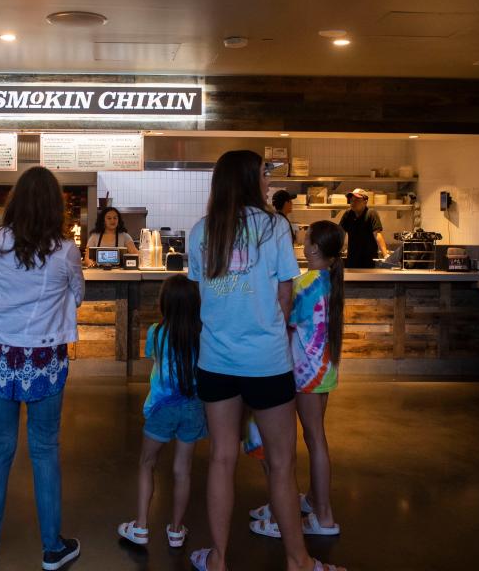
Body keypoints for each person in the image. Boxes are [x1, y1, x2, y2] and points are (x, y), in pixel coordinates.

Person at [187, 150, 345, 571]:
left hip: (216, 361)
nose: (267, 183)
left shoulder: (200, 232)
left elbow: (204, 296)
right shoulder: (275, 228)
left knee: (221, 457)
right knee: (281, 463)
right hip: (267, 362)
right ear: (245, 180)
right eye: (262, 175)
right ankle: (299, 562)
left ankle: (218, 559)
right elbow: (284, 295)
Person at [0, 166, 85, 571]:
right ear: (56, 205)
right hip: (44, 357)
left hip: (0, 353)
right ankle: (52, 549)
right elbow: (77, 295)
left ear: (15, 201)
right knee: (44, 450)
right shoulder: (66, 249)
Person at [245, 220, 346, 539]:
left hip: (304, 372)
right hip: (323, 369)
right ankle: (311, 501)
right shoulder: (328, 280)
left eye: (306, 236)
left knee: (312, 439)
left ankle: (324, 516)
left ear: (315, 248)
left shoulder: (305, 285)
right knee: (315, 437)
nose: (301, 239)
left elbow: (278, 314)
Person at [117, 275, 207, 550]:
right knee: (183, 470)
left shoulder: (157, 332)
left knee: (147, 463)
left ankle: (142, 526)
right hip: (193, 407)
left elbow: (154, 360)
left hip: (161, 408)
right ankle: (176, 530)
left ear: (164, 304)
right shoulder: (202, 334)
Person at [339, 188, 388, 268]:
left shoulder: (371, 214)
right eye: (351, 200)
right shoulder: (348, 214)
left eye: (357, 200)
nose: (353, 203)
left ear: (365, 201)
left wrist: (385, 255)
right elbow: (341, 233)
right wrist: (335, 252)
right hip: (352, 260)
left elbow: (377, 234)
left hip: (369, 261)